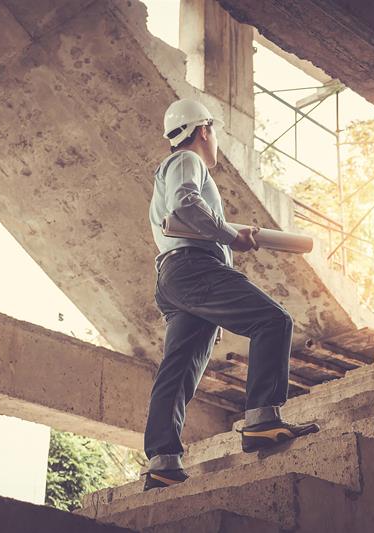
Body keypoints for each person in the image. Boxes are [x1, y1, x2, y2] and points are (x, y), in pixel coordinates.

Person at [143, 99, 319, 491]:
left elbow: (181, 213)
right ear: (203, 130)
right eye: (215, 131)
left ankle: (163, 462)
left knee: (180, 368)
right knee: (273, 320)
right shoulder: (188, 162)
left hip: (177, 277)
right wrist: (230, 236)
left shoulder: (171, 167)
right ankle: (261, 420)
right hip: (194, 268)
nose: (216, 138)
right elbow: (186, 204)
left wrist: (207, 306)